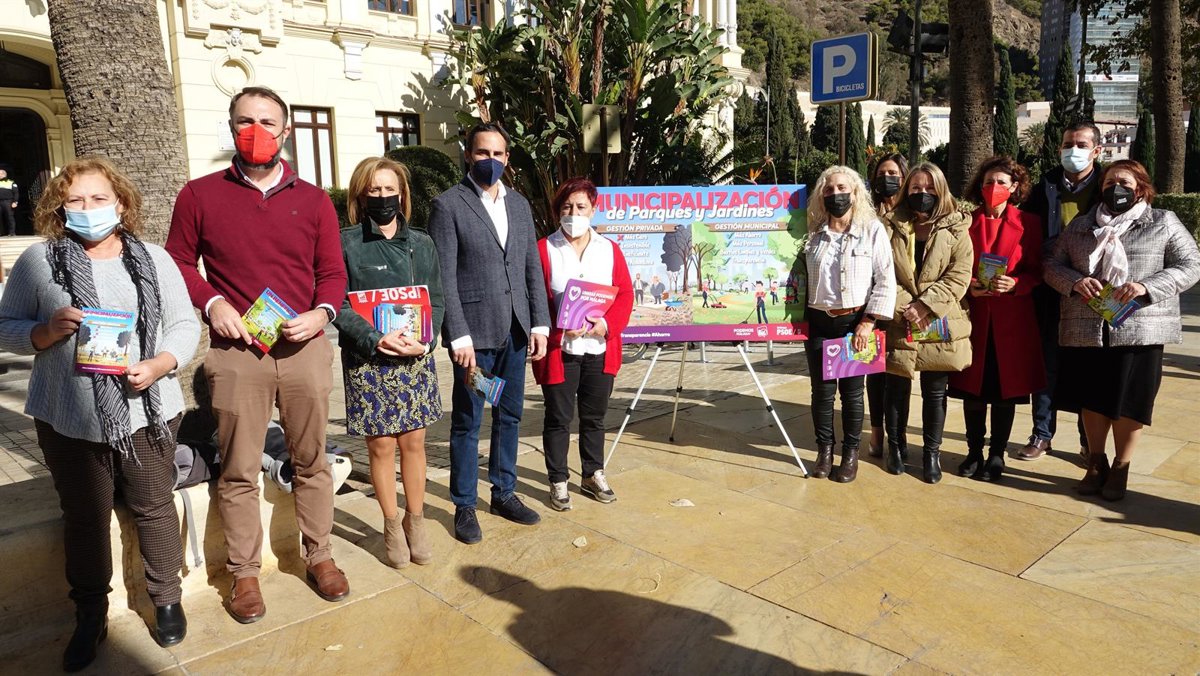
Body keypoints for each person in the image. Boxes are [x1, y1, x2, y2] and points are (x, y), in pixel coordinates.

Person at [0, 157, 199, 669]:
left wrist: (160, 364)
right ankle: (90, 613)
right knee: (85, 517)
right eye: (75, 200)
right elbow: (4, 325)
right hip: (68, 416)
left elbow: (184, 324)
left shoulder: (155, 259)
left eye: (98, 199)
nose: (88, 209)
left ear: (121, 203)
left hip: (148, 411)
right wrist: (43, 332)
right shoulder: (38, 261)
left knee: (154, 505)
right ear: (59, 208)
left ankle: (166, 598)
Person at [165, 86, 350, 623]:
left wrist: (322, 314)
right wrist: (213, 302)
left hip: (303, 347)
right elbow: (177, 262)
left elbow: (332, 273)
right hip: (237, 349)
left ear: (285, 131)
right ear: (231, 128)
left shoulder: (313, 200)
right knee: (239, 467)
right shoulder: (199, 195)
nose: (256, 131)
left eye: (268, 122)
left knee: (311, 459)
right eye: (245, 121)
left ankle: (320, 555)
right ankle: (244, 574)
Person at [1044, 160, 1200, 500]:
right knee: (1092, 400)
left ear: (1141, 188)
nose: (1116, 188)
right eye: (1109, 182)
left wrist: (1147, 287)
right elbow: (1052, 264)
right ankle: (1095, 462)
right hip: (1088, 328)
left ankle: (1120, 467)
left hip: (1139, 329)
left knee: (1130, 403)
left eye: (1125, 182)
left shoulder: (1163, 221)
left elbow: (1191, 265)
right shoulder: (1082, 225)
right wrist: (1075, 281)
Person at [428, 122, 551, 544]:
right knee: (469, 421)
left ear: (507, 158)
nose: (491, 161)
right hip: (476, 340)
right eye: (483, 153)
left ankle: (504, 492)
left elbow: (530, 267)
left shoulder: (519, 204)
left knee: (509, 415)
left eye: (498, 154)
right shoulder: (448, 205)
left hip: (515, 332)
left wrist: (539, 323)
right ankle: (464, 503)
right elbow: (443, 276)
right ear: (468, 155)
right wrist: (458, 334)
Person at [332, 157, 444, 568]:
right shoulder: (345, 243)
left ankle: (416, 520)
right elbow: (337, 304)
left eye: (389, 189)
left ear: (402, 194)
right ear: (361, 195)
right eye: (374, 190)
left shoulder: (422, 243)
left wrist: (426, 343)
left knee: (414, 442)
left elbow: (436, 300)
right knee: (380, 446)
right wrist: (375, 339)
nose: (383, 197)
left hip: (413, 357)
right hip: (369, 360)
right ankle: (392, 523)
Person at [532, 177, 634, 511]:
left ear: (593, 209)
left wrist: (606, 325)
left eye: (580, 207)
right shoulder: (544, 249)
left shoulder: (609, 250)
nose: (573, 213)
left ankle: (592, 473)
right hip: (561, 351)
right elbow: (535, 299)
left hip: (598, 348)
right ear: (557, 211)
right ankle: (558, 479)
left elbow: (625, 294)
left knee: (594, 417)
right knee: (558, 418)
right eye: (566, 207)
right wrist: (559, 332)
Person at [948, 156, 1045, 482]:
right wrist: (968, 286)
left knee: (1005, 392)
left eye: (1002, 182)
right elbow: (953, 266)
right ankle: (974, 452)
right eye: (989, 181)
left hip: (1012, 321)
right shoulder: (965, 222)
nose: (994, 187)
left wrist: (1016, 283)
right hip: (975, 317)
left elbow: (1037, 271)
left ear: (1015, 186)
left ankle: (997, 454)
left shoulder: (1029, 223)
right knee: (972, 391)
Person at [880, 163, 973, 484]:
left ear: (941, 190)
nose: (923, 194)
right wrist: (905, 307)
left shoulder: (957, 227)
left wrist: (926, 306)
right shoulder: (889, 225)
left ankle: (931, 453)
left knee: (935, 391)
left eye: (929, 188)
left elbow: (959, 274)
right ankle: (896, 447)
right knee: (896, 388)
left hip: (939, 318)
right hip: (900, 318)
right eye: (916, 188)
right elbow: (881, 270)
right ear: (907, 190)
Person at [804, 165, 896, 483]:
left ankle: (851, 454)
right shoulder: (812, 233)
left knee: (853, 394)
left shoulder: (872, 230)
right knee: (822, 393)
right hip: (819, 322)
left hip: (855, 324)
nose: (836, 194)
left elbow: (886, 279)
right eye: (829, 189)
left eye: (842, 188)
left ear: (855, 193)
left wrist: (869, 321)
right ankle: (824, 452)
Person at [1018, 121, 1103, 462]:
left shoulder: (1108, 187)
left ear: (1097, 150)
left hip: (1093, 294)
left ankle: (1088, 441)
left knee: (1087, 370)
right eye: (1068, 144)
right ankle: (1042, 434)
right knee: (1046, 364)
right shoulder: (1045, 186)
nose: (1074, 151)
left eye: (1081, 144)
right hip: (1050, 289)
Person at [865, 152, 910, 458]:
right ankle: (877, 430)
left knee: (898, 373)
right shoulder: (868, 215)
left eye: (893, 173)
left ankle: (898, 434)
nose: (887, 179)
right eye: (882, 174)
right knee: (873, 371)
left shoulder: (911, 215)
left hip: (901, 305)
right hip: (871, 305)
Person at [0, 167, 18, 236]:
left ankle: (12, 232)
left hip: (8, 201)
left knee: (9, 217)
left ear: (4, 174)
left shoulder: (11, 182)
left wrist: (15, 202)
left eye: (0, 174)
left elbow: (16, 193)